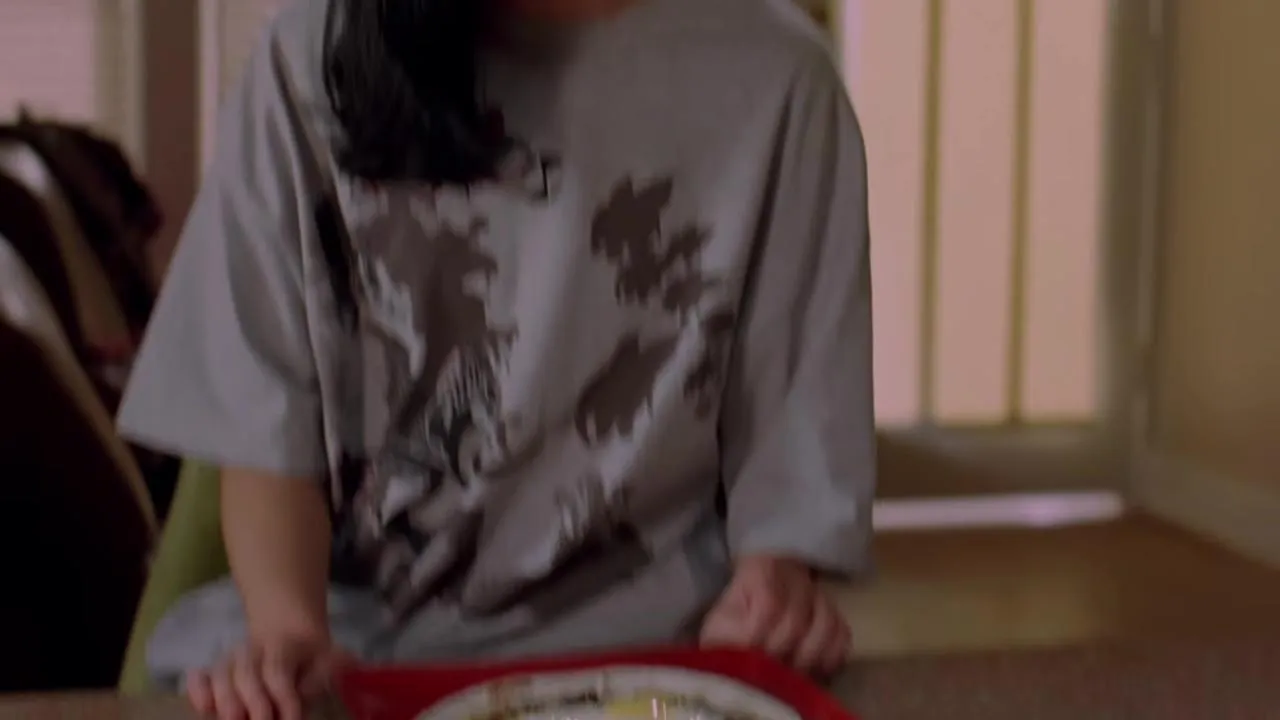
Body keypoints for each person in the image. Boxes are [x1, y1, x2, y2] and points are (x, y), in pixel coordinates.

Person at [117, 0, 875, 717]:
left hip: (655, 656)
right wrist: (287, 629)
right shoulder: (312, 58)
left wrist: (772, 588)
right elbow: (263, 423)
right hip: (364, 647)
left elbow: (789, 438)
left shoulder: (781, 76)